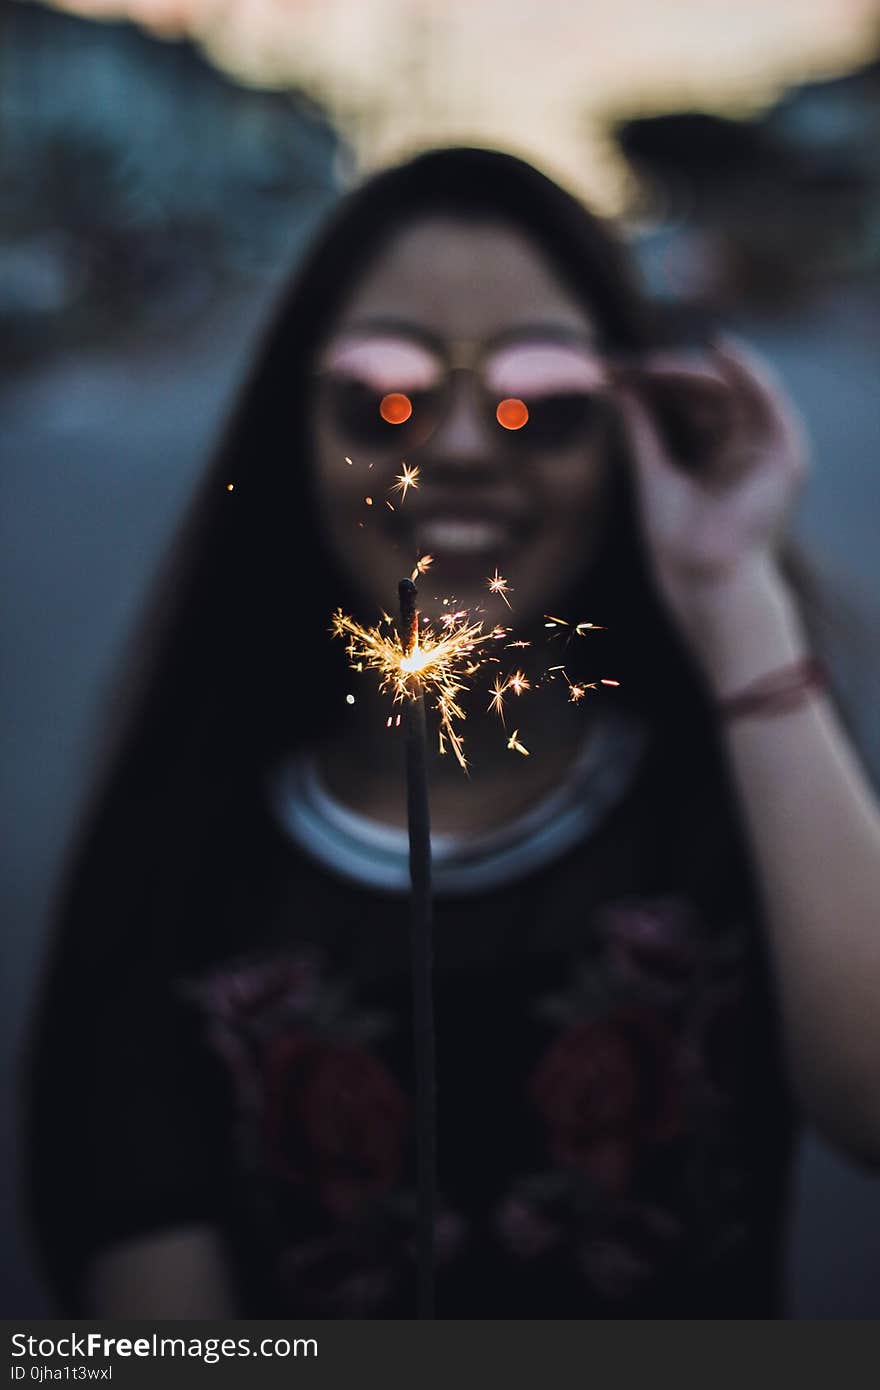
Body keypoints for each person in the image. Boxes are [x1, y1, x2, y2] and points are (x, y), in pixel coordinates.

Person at [25, 147, 880, 1319]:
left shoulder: (730, 790)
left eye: (542, 398)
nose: (465, 445)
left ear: (627, 430)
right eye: (385, 396)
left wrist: (731, 588)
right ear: (296, 436)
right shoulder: (178, 860)